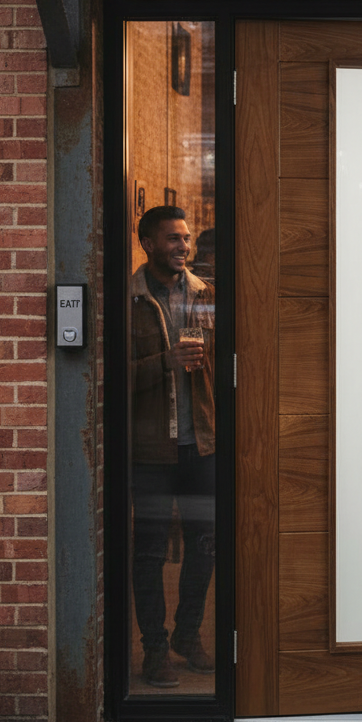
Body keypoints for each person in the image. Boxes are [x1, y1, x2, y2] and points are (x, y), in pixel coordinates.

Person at [131, 205, 216, 688]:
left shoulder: (206, 295)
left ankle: (188, 634)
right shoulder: (131, 299)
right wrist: (167, 360)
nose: (183, 246)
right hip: (151, 450)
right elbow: (111, 375)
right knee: (149, 553)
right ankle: (155, 649)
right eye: (172, 239)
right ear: (147, 243)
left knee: (206, 547)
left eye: (186, 239)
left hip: (201, 443)